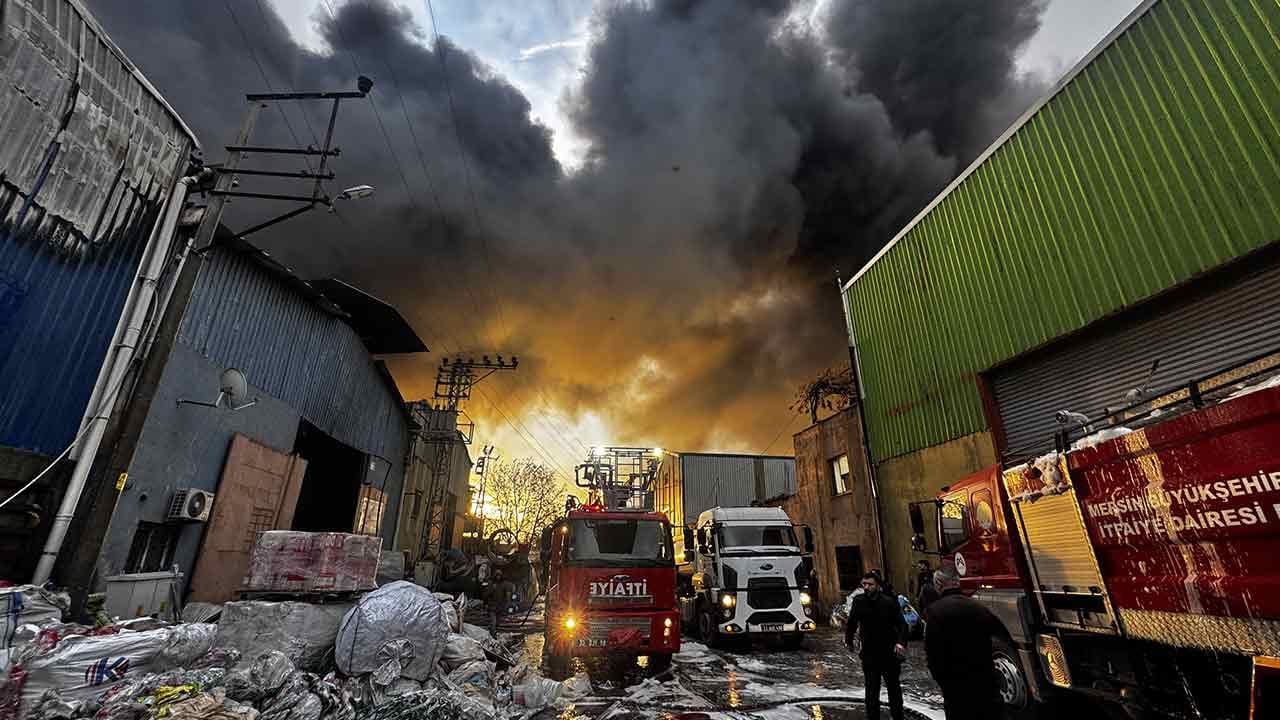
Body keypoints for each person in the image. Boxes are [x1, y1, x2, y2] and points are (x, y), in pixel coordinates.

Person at [924, 566, 1001, 720]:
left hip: (956, 686)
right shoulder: (979, 607)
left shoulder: (934, 611)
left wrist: (944, 682)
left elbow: (933, 655)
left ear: (939, 584)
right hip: (985, 681)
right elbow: (994, 639)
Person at [844, 570, 908, 720]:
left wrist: (901, 642)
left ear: (878, 586)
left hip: (889, 653)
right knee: (871, 691)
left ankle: (898, 717)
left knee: (894, 690)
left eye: (870, 584)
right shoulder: (859, 601)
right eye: (864, 584)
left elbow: (902, 625)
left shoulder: (889, 602)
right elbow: (852, 623)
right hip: (869, 653)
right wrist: (849, 640)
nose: (866, 587)